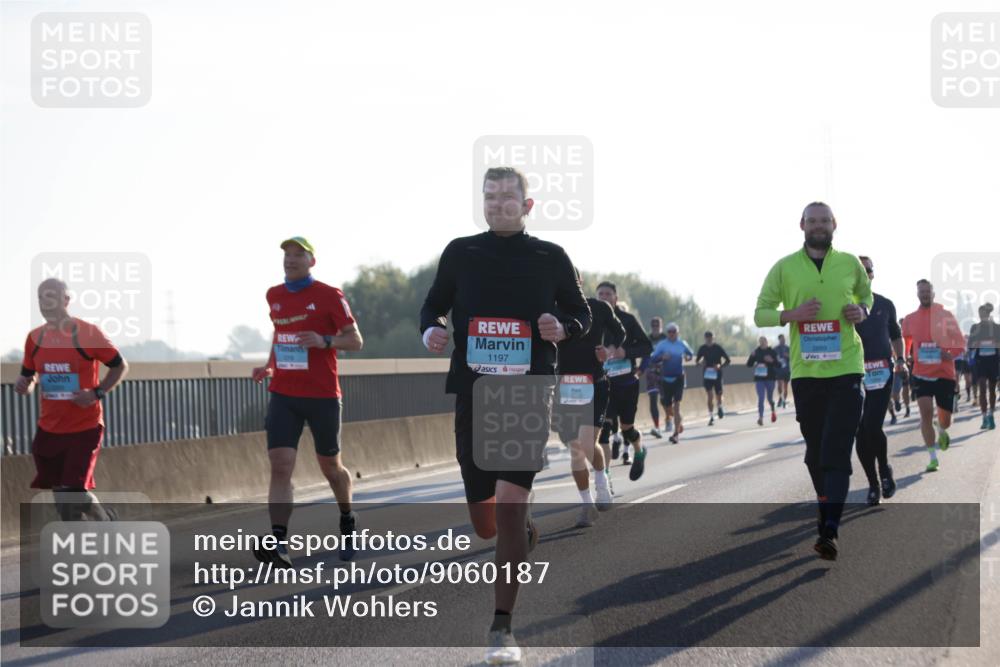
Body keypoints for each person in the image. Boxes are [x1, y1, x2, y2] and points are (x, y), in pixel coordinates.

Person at [420, 166, 591, 664]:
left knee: (511, 502)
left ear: (527, 205)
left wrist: (562, 326)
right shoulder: (461, 252)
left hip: (526, 392)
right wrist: (430, 330)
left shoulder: (550, 256)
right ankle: (522, 534)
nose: (498, 203)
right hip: (473, 390)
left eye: (507, 196)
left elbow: (581, 315)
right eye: (489, 196)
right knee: (486, 524)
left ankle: (503, 630)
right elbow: (432, 306)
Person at [754, 201, 872, 560]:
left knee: (836, 450)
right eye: (813, 220)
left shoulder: (850, 263)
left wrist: (861, 311)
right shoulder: (785, 267)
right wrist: (793, 314)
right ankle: (826, 511)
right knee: (816, 454)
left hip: (848, 369)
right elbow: (760, 314)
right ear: (802, 224)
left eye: (825, 220)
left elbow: (865, 298)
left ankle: (831, 529)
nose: (819, 226)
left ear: (834, 224)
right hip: (806, 374)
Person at [251, 237, 364, 568]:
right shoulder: (274, 295)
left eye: (298, 254)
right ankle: (278, 541)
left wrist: (324, 340)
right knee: (281, 465)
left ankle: (347, 517)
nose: (290, 260)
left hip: (322, 395)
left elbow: (356, 340)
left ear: (311, 261)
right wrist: (270, 364)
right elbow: (281, 335)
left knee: (330, 467)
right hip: (284, 393)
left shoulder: (330, 295)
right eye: (287, 254)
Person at [14, 278, 129, 522]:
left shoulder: (88, 333)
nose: (45, 303)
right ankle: (99, 526)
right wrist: (25, 385)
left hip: (84, 427)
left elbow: (120, 366)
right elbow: (28, 376)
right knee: (65, 504)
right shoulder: (34, 339)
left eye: (51, 297)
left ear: (66, 300)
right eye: (41, 298)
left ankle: (104, 526)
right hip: (49, 430)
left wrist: (95, 393)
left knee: (72, 494)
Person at [553, 285, 625, 527]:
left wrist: (609, 350)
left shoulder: (599, 308)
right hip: (565, 386)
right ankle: (587, 505)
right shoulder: (552, 309)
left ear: (578, 283)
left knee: (586, 444)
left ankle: (602, 484)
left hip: (594, 383)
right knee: (575, 449)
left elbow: (619, 333)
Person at [853, 256, 904, 505]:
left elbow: (896, 335)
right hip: (852, 374)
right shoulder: (842, 305)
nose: (864, 274)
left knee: (872, 426)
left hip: (882, 371)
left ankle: (884, 470)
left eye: (868, 270)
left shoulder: (885, 304)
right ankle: (873, 484)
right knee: (859, 433)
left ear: (872, 275)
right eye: (858, 270)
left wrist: (902, 359)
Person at [900, 279, 966, 473]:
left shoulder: (945, 315)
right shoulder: (910, 318)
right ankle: (932, 456)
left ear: (933, 293)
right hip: (921, 373)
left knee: (946, 419)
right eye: (921, 292)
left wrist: (950, 354)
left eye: (927, 292)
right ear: (917, 294)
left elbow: (960, 343)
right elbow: (906, 340)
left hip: (944, 373)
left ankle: (942, 428)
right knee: (925, 413)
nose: (924, 295)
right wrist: (905, 357)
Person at [596, 285, 652, 477]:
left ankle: (639, 451)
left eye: (608, 294)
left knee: (627, 429)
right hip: (603, 383)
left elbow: (647, 347)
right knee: (603, 431)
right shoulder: (594, 319)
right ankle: (605, 478)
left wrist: (625, 352)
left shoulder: (628, 320)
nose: (604, 297)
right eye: (600, 294)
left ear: (615, 298)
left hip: (626, 384)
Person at [650, 323, 695, 444]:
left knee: (677, 406)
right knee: (667, 406)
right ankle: (679, 422)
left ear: (677, 332)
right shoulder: (662, 345)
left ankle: (675, 435)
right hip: (666, 378)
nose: (671, 334)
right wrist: (662, 357)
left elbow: (691, 354)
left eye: (673, 331)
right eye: (669, 331)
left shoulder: (682, 344)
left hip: (679, 378)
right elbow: (653, 359)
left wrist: (687, 357)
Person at [968, 303, 999, 430]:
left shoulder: (997, 327)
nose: (981, 315)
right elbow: (970, 344)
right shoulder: (975, 327)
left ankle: (991, 415)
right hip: (980, 362)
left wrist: (994, 343)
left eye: (984, 313)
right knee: (982, 388)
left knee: (992, 390)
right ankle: (984, 416)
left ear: (988, 313)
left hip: (993, 361)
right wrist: (978, 343)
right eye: (980, 313)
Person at [696, 331, 731, 425]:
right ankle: (711, 416)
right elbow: (697, 361)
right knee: (710, 396)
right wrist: (700, 363)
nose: (708, 339)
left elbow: (728, 360)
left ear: (713, 338)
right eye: (707, 337)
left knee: (719, 395)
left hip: (717, 375)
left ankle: (719, 406)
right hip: (707, 375)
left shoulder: (718, 348)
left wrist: (720, 366)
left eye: (710, 337)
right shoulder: (702, 348)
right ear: (705, 338)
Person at [643, 317, 668, 438]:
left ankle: (669, 418)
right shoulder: (647, 339)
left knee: (665, 400)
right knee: (653, 399)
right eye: (653, 326)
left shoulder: (666, 338)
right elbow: (644, 354)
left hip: (664, 371)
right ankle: (657, 427)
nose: (655, 328)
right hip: (651, 372)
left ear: (661, 326)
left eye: (657, 326)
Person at [746, 336, 779, 426]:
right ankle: (760, 418)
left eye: (764, 341)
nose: (762, 343)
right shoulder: (756, 352)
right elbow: (749, 365)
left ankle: (773, 410)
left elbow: (778, 364)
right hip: (759, 378)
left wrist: (771, 360)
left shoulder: (772, 352)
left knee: (769, 398)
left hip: (770, 378)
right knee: (761, 398)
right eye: (760, 341)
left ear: (767, 342)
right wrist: (751, 357)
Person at [774, 333, 791, 408]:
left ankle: (784, 400)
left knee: (785, 387)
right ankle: (780, 398)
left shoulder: (788, 348)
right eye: (781, 339)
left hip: (786, 370)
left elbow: (793, 357)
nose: (783, 340)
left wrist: (788, 356)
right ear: (779, 340)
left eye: (784, 339)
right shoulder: (775, 349)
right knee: (779, 386)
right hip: (779, 370)